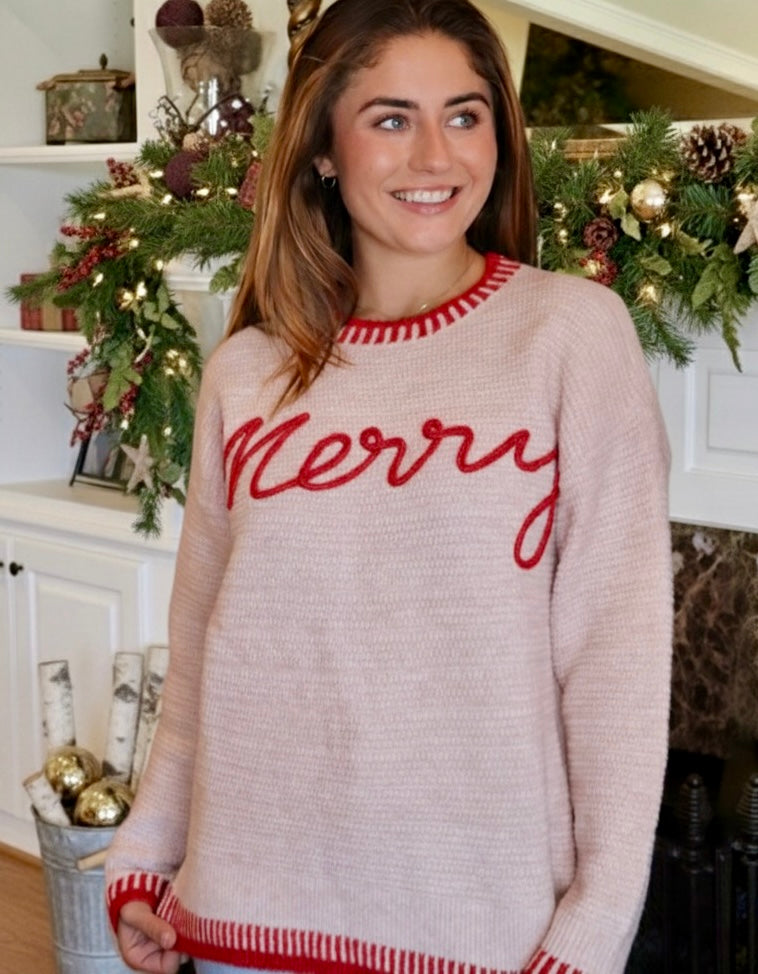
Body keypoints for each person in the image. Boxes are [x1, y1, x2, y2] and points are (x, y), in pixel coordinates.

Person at [105, 1, 673, 972]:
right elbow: (204, 647)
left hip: (486, 933)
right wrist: (143, 857)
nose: (435, 156)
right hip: (247, 919)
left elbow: (616, 665)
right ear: (322, 147)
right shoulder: (245, 373)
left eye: (462, 114)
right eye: (389, 118)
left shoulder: (570, 336)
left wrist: (591, 925)